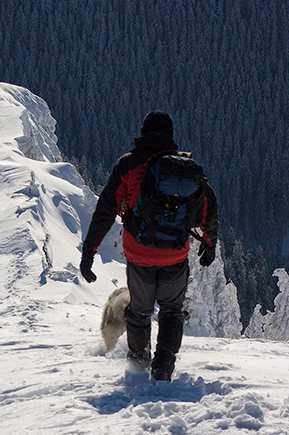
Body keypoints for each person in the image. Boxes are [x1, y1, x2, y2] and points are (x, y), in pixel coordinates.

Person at [79, 111, 219, 381]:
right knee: (171, 311)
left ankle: (139, 364)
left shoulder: (129, 165)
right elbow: (208, 210)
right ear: (170, 135)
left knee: (139, 312)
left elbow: (106, 210)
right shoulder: (185, 170)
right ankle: (164, 367)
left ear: (143, 132)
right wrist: (209, 245)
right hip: (175, 256)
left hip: (139, 256)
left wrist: (89, 252)